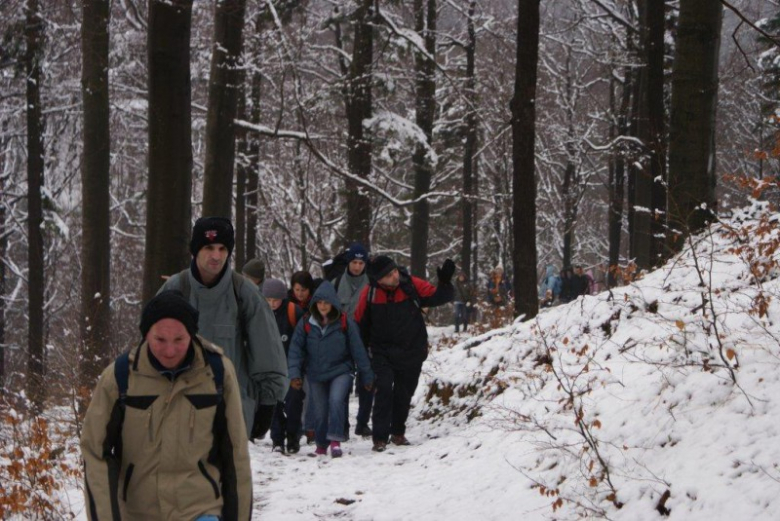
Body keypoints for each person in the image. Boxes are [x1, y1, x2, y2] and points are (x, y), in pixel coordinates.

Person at [81, 291, 252, 520]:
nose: (170, 351)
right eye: (160, 340)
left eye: (179, 339)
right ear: (146, 335)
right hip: (137, 511)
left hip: (200, 509)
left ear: (192, 335)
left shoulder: (217, 374)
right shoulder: (119, 377)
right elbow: (95, 452)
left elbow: (235, 453)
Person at [158, 216, 288, 440]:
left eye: (222, 248)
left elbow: (267, 348)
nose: (216, 255)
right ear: (196, 250)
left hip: (230, 411)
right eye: (209, 247)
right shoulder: (174, 289)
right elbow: (151, 350)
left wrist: (268, 402)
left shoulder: (245, 293)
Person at [355, 256, 455, 452]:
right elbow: (359, 323)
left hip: (412, 349)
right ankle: (379, 438)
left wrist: (444, 283)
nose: (395, 276)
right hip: (381, 351)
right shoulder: (370, 293)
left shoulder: (411, 285)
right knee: (383, 389)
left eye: (394, 271)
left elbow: (439, 298)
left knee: (403, 393)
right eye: (389, 275)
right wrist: (363, 354)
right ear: (379, 279)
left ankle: (398, 432)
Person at [288, 281, 374, 458]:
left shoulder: (345, 323)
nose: (323, 306)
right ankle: (321, 444)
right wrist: (295, 374)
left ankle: (335, 440)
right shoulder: (306, 323)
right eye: (319, 303)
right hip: (315, 373)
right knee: (320, 409)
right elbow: (296, 350)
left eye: (326, 303)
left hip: (341, 370)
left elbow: (358, 350)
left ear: (333, 303)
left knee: (336, 401)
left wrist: (367, 375)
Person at [330, 242, 373, 436]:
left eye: (361, 263)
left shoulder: (372, 284)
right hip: (341, 339)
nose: (357, 266)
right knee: (343, 382)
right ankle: (343, 425)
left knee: (367, 381)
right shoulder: (336, 284)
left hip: (366, 339)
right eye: (354, 262)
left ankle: (362, 422)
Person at [263, 278, 306, 454]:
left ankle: (293, 437)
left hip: (292, 366)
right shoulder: (259, 312)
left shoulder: (293, 311)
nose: (272, 304)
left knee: (293, 403)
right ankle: (277, 440)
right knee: (274, 404)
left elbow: (302, 340)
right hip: (269, 367)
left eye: (275, 300)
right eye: (268, 300)